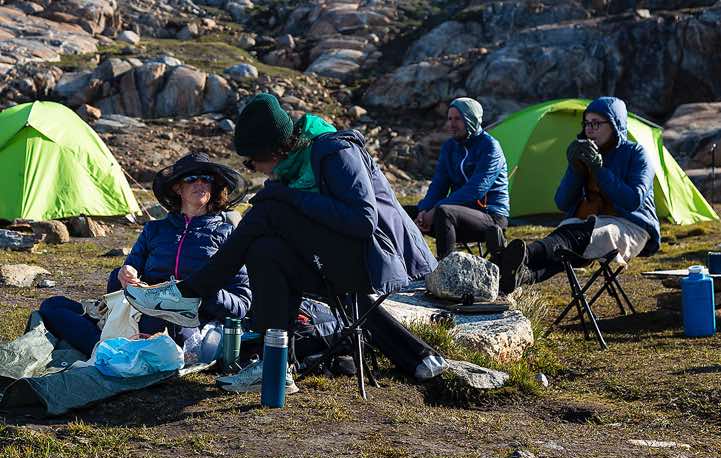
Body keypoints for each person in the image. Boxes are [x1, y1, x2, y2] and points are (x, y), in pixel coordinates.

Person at [125, 93, 444, 390]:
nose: (253, 169)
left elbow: (362, 221)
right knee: (266, 250)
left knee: (267, 210)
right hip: (338, 261)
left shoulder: (335, 151)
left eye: (252, 162)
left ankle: (189, 293)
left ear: (272, 150)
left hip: (375, 258)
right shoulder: (297, 168)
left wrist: (284, 196)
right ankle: (275, 364)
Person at [39, 152, 253, 359]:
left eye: (206, 179)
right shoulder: (155, 230)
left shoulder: (226, 235)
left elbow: (242, 303)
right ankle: (112, 348)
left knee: (158, 322)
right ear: (178, 188)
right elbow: (127, 275)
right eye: (191, 178)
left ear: (214, 187)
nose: (200, 183)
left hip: (190, 323)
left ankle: (108, 348)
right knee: (53, 304)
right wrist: (126, 274)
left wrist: (204, 290)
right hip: (139, 313)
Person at [497, 96, 661, 294]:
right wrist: (576, 170)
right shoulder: (585, 152)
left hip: (631, 226)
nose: (589, 129)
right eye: (586, 124)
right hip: (588, 225)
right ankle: (518, 276)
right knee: (566, 241)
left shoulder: (636, 154)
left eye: (596, 124)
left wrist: (598, 169)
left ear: (615, 125)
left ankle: (519, 254)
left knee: (574, 236)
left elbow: (633, 200)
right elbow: (562, 203)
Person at [405, 97, 509, 259]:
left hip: (490, 217)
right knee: (402, 213)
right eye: (450, 119)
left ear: (471, 119)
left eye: (458, 119)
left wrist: (435, 210)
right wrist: (424, 210)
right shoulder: (449, 147)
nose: (452, 125)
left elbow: (475, 189)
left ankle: (445, 271)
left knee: (444, 212)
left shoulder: (490, 147)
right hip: (456, 215)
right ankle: (409, 266)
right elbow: (438, 185)